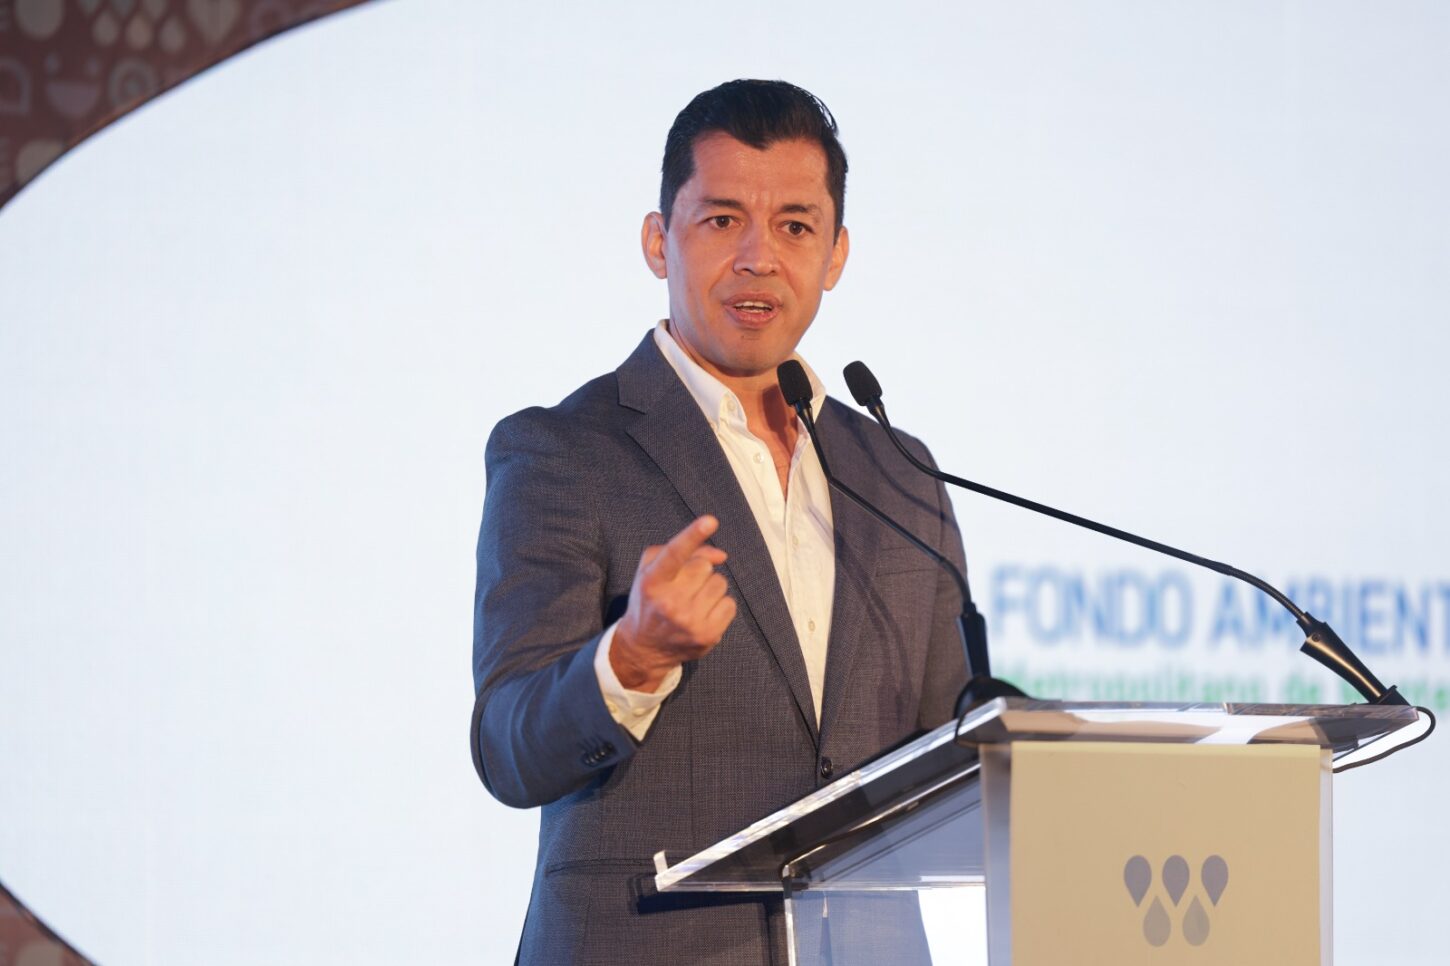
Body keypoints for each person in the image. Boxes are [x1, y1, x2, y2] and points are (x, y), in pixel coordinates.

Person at [470, 79, 972, 965]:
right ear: (658, 241)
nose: (758, 257)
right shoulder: (562, 452)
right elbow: (509, 748)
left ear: (836, 254)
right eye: (722, 220)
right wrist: (631, 658)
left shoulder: (902, 474)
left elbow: (947, 752)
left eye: (795, 226)